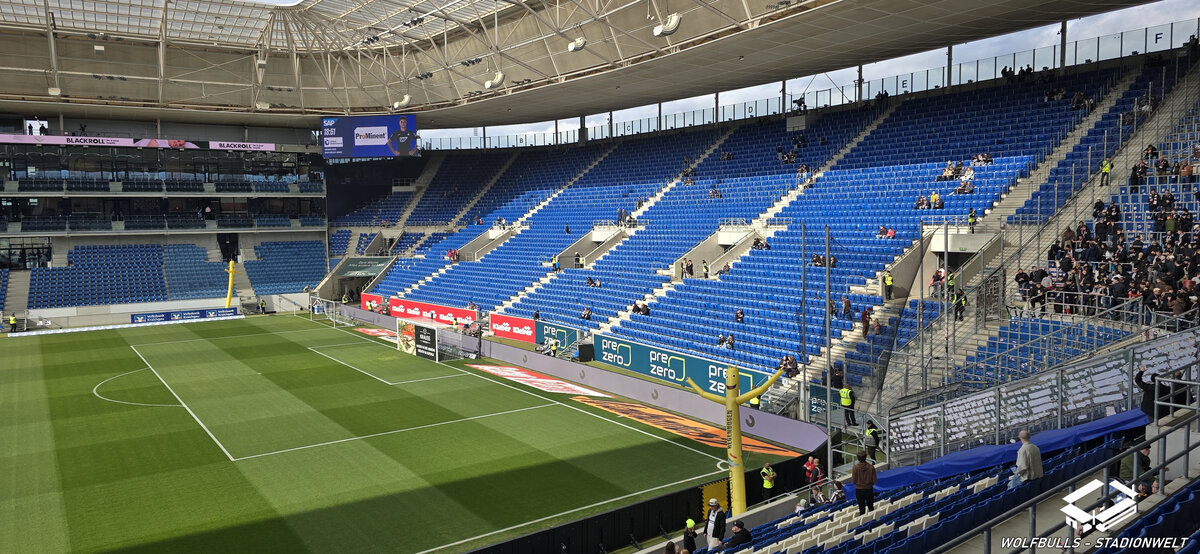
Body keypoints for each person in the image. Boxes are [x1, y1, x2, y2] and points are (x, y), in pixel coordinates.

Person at [851, 450, 877, 515]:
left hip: (859, 491)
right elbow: (874, 481)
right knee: (871, 507)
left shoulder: (855, 468)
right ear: (865, 457)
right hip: (869, 489)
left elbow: (853, 481)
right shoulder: (871, 467)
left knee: (861, 508)